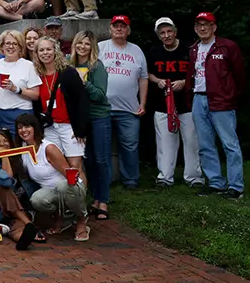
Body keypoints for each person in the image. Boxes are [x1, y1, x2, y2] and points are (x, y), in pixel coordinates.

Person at [187, 12, 245, 199]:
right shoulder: (194, 49)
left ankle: (236, 186)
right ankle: (215, 183)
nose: (203, 28)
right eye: (199, 25)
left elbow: (239, 75)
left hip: (222, 100)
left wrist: (231, 96)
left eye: (207, 24)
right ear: (195, 28)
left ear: (214, 27)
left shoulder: (227, 47)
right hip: (199, 99)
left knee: (230, 143)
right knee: (205, 144)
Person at [15, 113, 89, 241]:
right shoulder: (23, 148)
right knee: (37, 199)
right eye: (20, 127)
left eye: (27, 126)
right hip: (51, 191)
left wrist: (80, 188)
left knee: (62, 186)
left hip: (71, 186)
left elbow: (69, 174)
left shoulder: (48, 148)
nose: (23, 130)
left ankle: (82, 219)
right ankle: (62, 217)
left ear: (35, 128)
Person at [145, 17, 201, 190]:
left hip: (187, 104)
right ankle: (165, 177)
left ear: (175, 32)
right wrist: (158, 80)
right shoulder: (154, 51)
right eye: (162, 32)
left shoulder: (188, 49)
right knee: (165, 142)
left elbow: (197, 70)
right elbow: (148, 73)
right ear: (158, 35)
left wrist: (184, 82)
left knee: (191, 140)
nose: (166, 35)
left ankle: (194, 177)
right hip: (162, 104)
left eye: (169, 31)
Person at [98, 15, 147, 190]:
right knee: (102, 147)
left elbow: (143, 78)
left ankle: (131, 180)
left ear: (128, 30)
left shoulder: (137, 50)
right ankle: (106, 180)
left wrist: (143, 103)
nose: (119, 29)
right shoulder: (100, 47)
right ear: (110, 29)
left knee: (130, 146)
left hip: (129, 109)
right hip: (102, 108)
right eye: (116, 26)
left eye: (123, 26)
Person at [69, 30, 112, 219]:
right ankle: (94, 198)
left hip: (99, 117)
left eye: (87, 44)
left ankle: (103, 201)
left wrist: (84, 83)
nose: (82, 47)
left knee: (102, 160)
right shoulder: (70, 65)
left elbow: (101, 96)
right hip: (81, 119)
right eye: (80, 43)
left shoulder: (97, 66)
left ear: (92, 47)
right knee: (90, 161)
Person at [31, 37, 88, 174]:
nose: (45, 53)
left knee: (75, 166)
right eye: (41, 50)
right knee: (58, 167)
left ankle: (80, 195)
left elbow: (81, 100)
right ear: (37, 54)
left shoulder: (68, 72)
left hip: (69, 126)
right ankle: (66, 195)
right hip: (50, 127)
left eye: (49, 49)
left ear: (55, 51)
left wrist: (80, 129)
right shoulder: (36, 75)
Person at [0, 30, 41, 136]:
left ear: (20, 47)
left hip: (20, 114)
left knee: (18, 149)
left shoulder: (28, 65)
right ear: (2, 46)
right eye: (8, 43)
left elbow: (36, 95)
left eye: (15, 44)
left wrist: (16, 89)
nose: (11, 47)